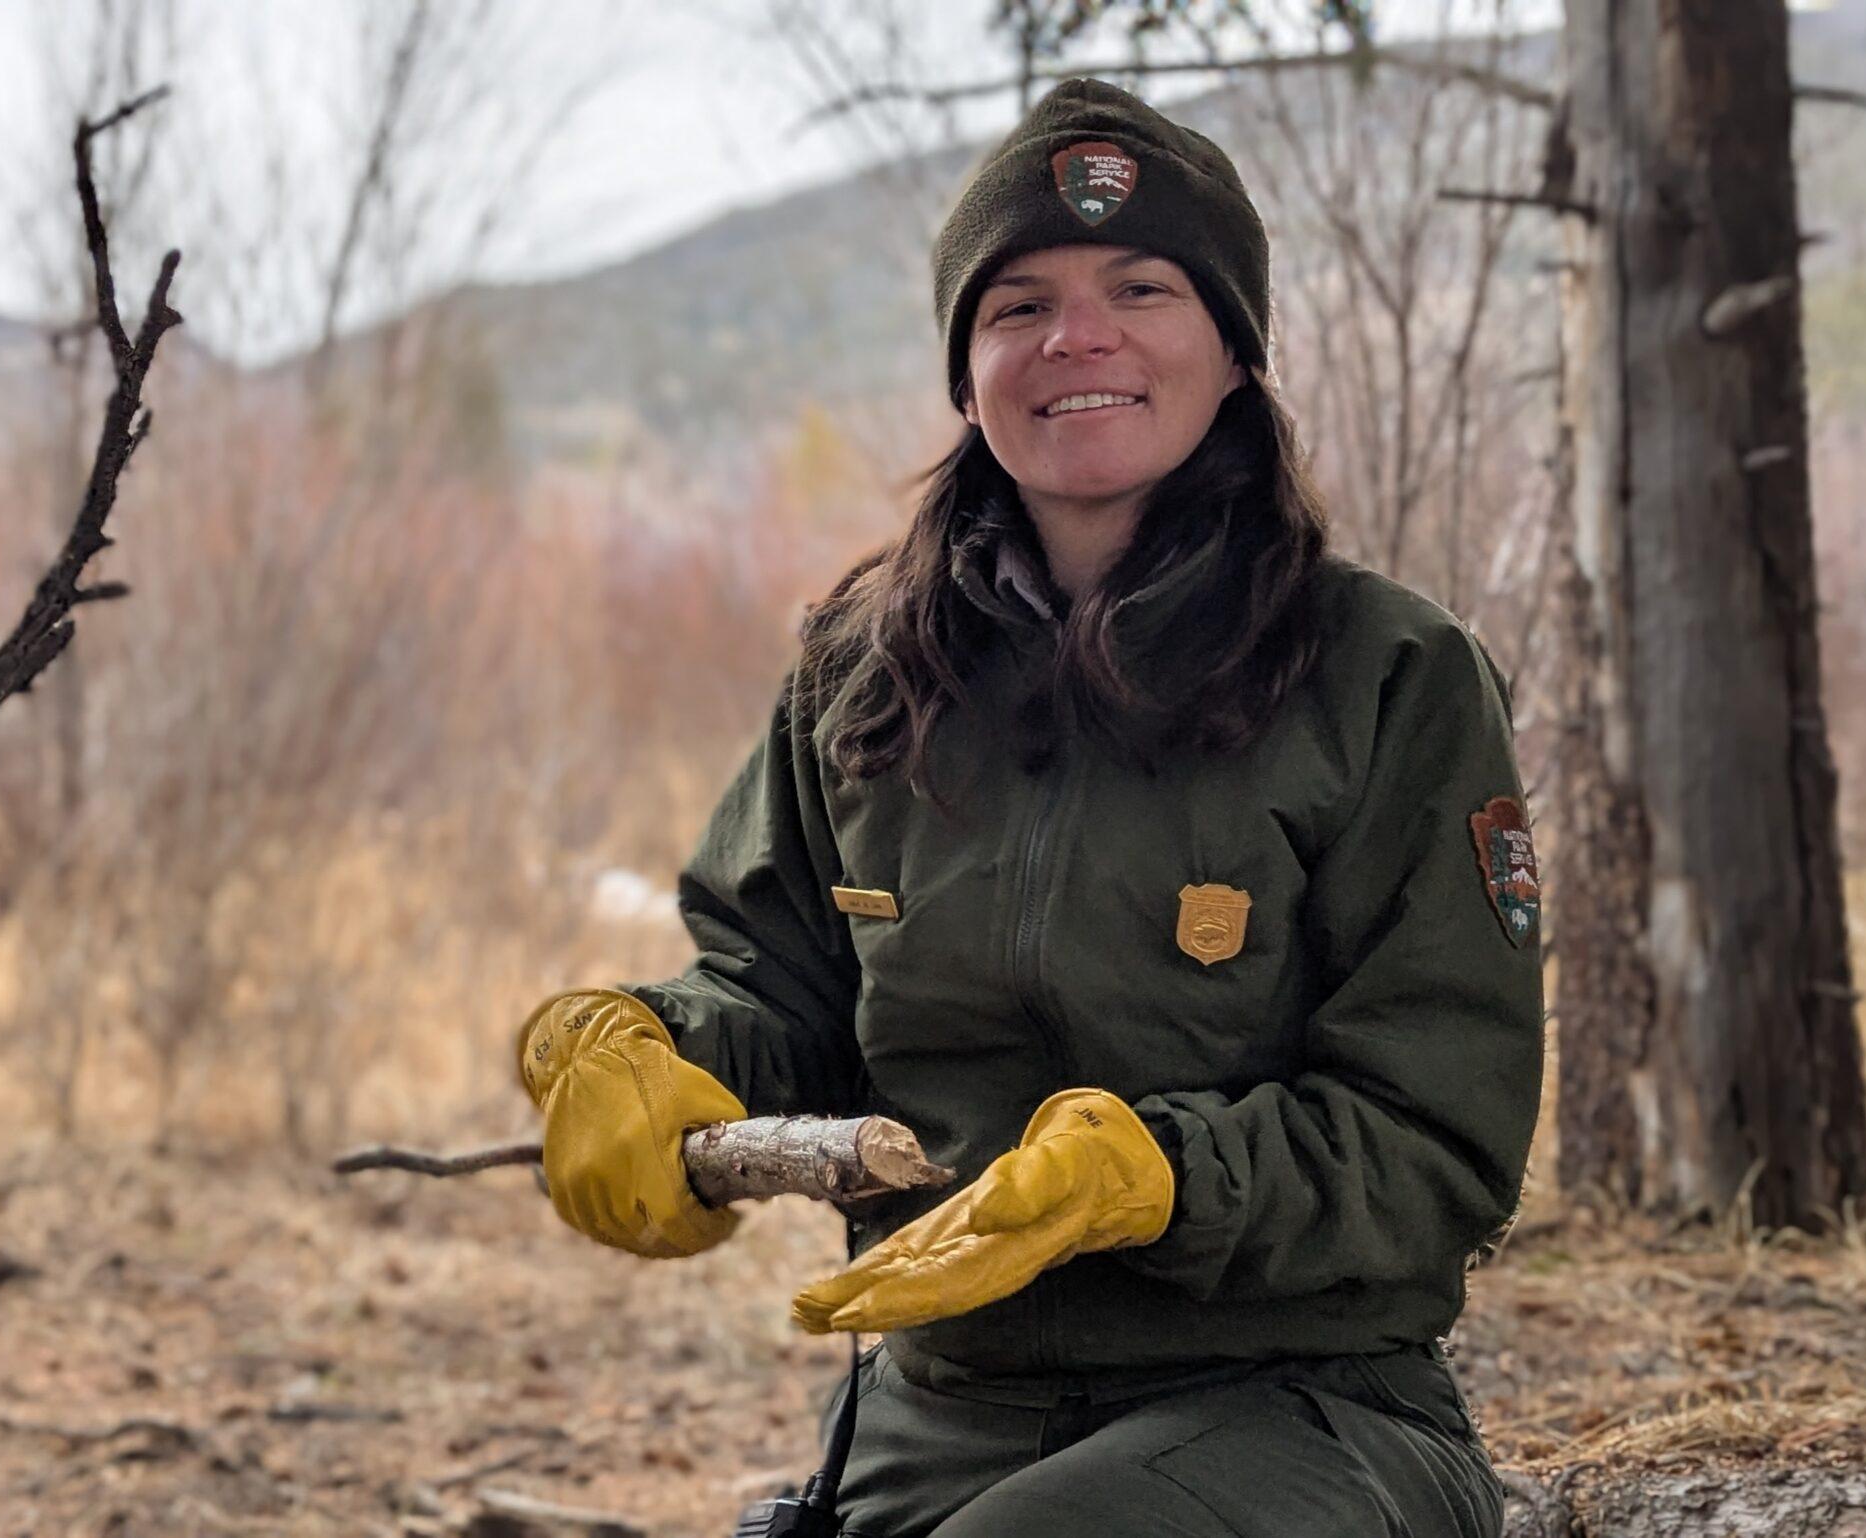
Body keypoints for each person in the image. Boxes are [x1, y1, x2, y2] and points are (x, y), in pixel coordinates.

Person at [514, 77, 1544, 1538]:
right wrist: (641, 1046)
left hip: (1304, 1402)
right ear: (967, 367)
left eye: (1141, 288)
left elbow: (1440, 1140)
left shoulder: (1389, 675)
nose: (1079, 337)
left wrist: (1156, 1175)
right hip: (941, 1406)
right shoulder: (857, 673)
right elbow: (783, 995)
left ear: (1237, 350)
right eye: (1018, 306)